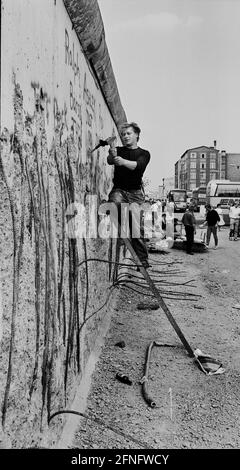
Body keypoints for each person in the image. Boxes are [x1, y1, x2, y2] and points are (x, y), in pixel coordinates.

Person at [107, 122, 151, 268]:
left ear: (137, 135)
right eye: (123, 134)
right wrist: (112, 154)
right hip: (119, 190)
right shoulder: (119, 150)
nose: (125, 136)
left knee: (137, 229)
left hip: (135, 195)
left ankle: (142, 260)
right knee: (114, 202)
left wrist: (122, 161)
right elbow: (109, 160)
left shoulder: (144, 154)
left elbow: (137, 166)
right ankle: (121, 230)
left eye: (128, 134)